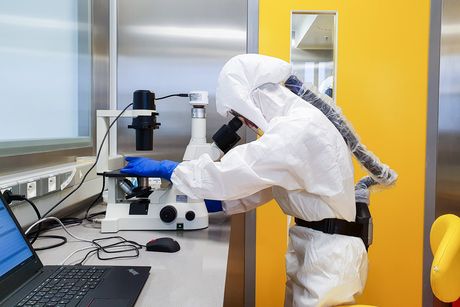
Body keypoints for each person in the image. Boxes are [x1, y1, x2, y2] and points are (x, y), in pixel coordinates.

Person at [121, 54, 368, 307]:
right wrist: (219, 204)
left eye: (242, 113)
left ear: (253, 97)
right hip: (315, 244)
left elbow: (234, 172)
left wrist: (168, 169)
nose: (247, 123)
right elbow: (266, 185)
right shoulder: (296, 125)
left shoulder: (299, 128)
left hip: (328, 255)